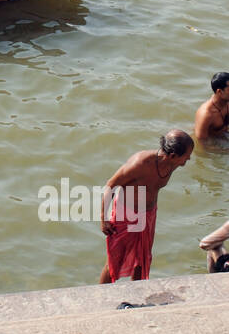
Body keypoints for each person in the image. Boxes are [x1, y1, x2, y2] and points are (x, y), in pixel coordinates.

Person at [98, 129, 194, 283]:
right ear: (172, 156)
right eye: (186, 156)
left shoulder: (173, 164)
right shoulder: (140, 164)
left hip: (148, 214)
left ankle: (137, 296)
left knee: (142, 259)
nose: (188, 159)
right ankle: (101, 297)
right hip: (126, 214)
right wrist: (104, 218)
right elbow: (110, 185)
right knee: (115, 261)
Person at [194, 72, 229, 142]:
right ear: (219, 91)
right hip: (215, 144)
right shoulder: (206, 114)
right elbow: (202, 144)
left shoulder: (227, 102)